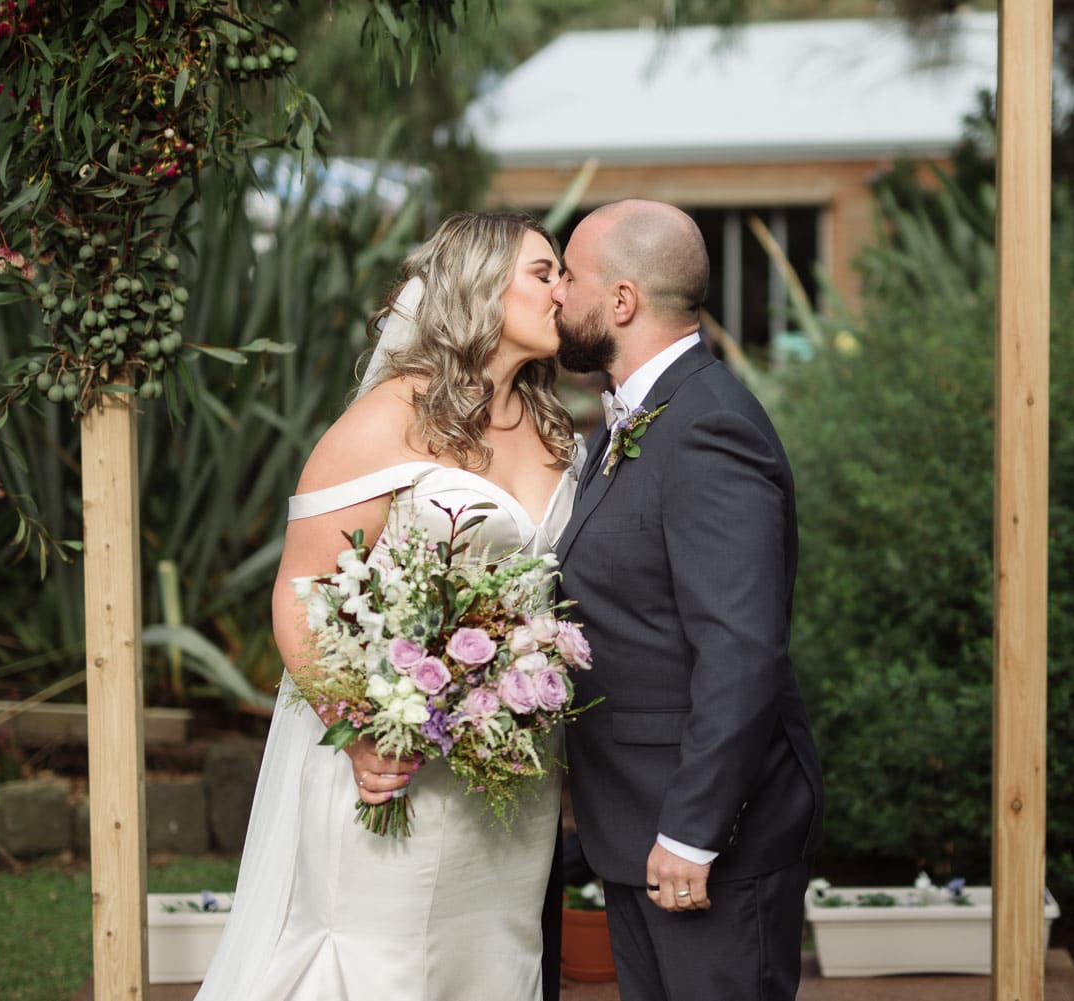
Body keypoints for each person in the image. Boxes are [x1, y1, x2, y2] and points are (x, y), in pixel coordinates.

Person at [193, 212, 581, 1001]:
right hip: (392, 766)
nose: (562, 289)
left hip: (506, 779)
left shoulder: (550, 424)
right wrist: (365, 730)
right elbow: (300, 592)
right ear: (479, 286)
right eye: (545, 272)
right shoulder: (388, 420)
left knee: (493, 965)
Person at [552, 199, 824, 1001]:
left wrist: (691, 831)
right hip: (633, 824)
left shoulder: (710, 429)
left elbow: (740, 647)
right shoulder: (629, 425)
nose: (558, 294)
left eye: (569, 274)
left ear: (624, 300)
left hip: (702, 837)